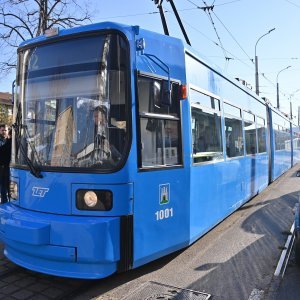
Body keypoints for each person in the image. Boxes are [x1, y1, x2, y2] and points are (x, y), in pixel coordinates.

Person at [0, 127, 12, 203]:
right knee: (3, 185)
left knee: (8, 185)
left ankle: (9, 201)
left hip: (9, 166)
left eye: (5, 130)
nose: (4, 132)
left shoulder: (8, 141)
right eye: (2, 130)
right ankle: (4, 202)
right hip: (2, 166)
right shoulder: (5, 142)